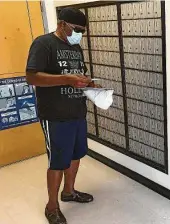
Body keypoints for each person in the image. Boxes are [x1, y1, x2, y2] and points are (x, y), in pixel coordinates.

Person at [26, 7, 97, 224]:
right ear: (61, 24)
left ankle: (69, 192)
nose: (79, 35)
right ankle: (52, 206)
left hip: (77, 111)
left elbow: (79, 76)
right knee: (58, 161)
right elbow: (32, 77)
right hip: (55, 115)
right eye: (76, 29)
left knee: (76, 154)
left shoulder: (76, 48)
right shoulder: (43, 43)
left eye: (82, 31)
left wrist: (91, 85)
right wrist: (65, 79)